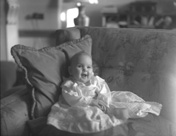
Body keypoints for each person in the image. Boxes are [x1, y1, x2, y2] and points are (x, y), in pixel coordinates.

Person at [47, 51, 162, 134]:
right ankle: (110, 116)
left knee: (124, 98)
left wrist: (103, 101)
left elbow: (104, 90)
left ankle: (115, 110)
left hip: (100, 101)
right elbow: (72, 99)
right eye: (79, 66)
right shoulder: (70, 85)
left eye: (88, 67)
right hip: (82, 104)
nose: (85, 70)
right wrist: (91, 102)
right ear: (71, 70)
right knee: (88, 114)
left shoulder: (96, 80)